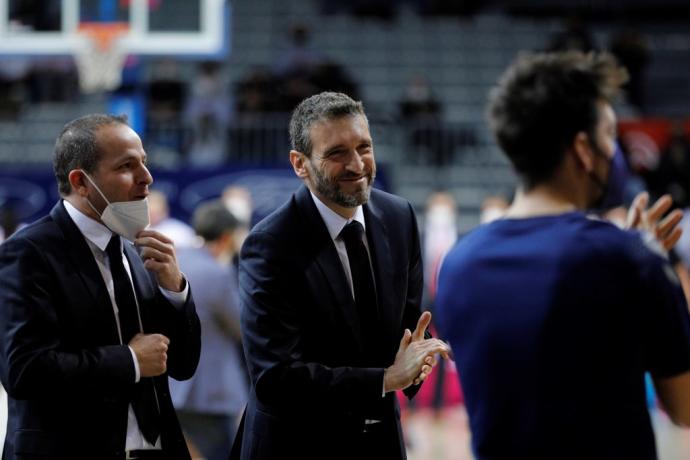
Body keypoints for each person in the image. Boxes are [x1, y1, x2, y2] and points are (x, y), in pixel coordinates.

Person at [435, 52, 690, 460]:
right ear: (583, 150)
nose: (615, 151)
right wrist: (655, 264)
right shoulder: (631, 260)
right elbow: (684, 408)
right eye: (609, 135)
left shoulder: (458, 263)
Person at [231, 92, 450, 460]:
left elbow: (407, 333)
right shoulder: (270, 244)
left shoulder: (400, 218)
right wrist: (387, 379)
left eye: (363, 147)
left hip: (381, 440)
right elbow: (275, 378)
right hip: (298, 443)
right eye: (336, 153)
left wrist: (417, 359)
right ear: (300, 164)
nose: (357, 164)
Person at [0, 114, 201, 459]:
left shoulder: (138, 251)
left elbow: (181, 366)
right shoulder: (27, 252)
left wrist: (175, 290)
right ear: (81, 181)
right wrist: (129, 360)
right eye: (127, 166)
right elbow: (23, 371)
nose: (147, 178)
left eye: (144, 163)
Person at [171, 200, 248, 460]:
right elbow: (241, 327)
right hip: (209, 392)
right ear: (227, 237)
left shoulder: (177, 259)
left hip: (173, 386)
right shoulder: (216, 272)